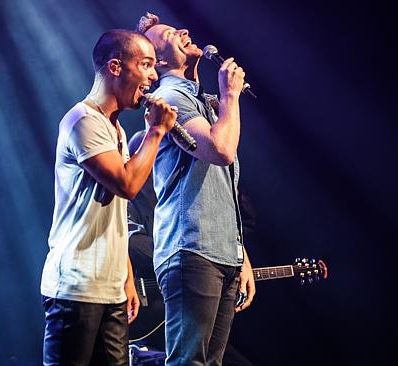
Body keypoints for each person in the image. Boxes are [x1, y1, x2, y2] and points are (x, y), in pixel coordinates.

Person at [39, 29, 177, 366]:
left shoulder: (115, 128)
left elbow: (114, 216)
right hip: (76, 287)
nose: (152, 75)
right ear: (116, 67)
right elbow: (126, 186)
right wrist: (156, 132)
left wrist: (125, 277)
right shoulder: (82, 121)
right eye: (145, 64)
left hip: (110, 288)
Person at [136, 13, 256, 366]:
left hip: (221, 251)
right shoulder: (171, 96)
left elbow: (223, 188)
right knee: (189, 362)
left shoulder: (201, 102)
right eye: (172, 34)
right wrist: (230, 95)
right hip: (192, 248)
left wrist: (240, 252)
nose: (184, 32)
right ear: (157, 62)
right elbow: (221, 151)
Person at [126, 131, 255, 366]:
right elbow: (132, 240)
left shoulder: (184, 194)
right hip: (153, 303)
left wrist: (239, 255)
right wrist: (180, 253)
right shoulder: (136, 198)